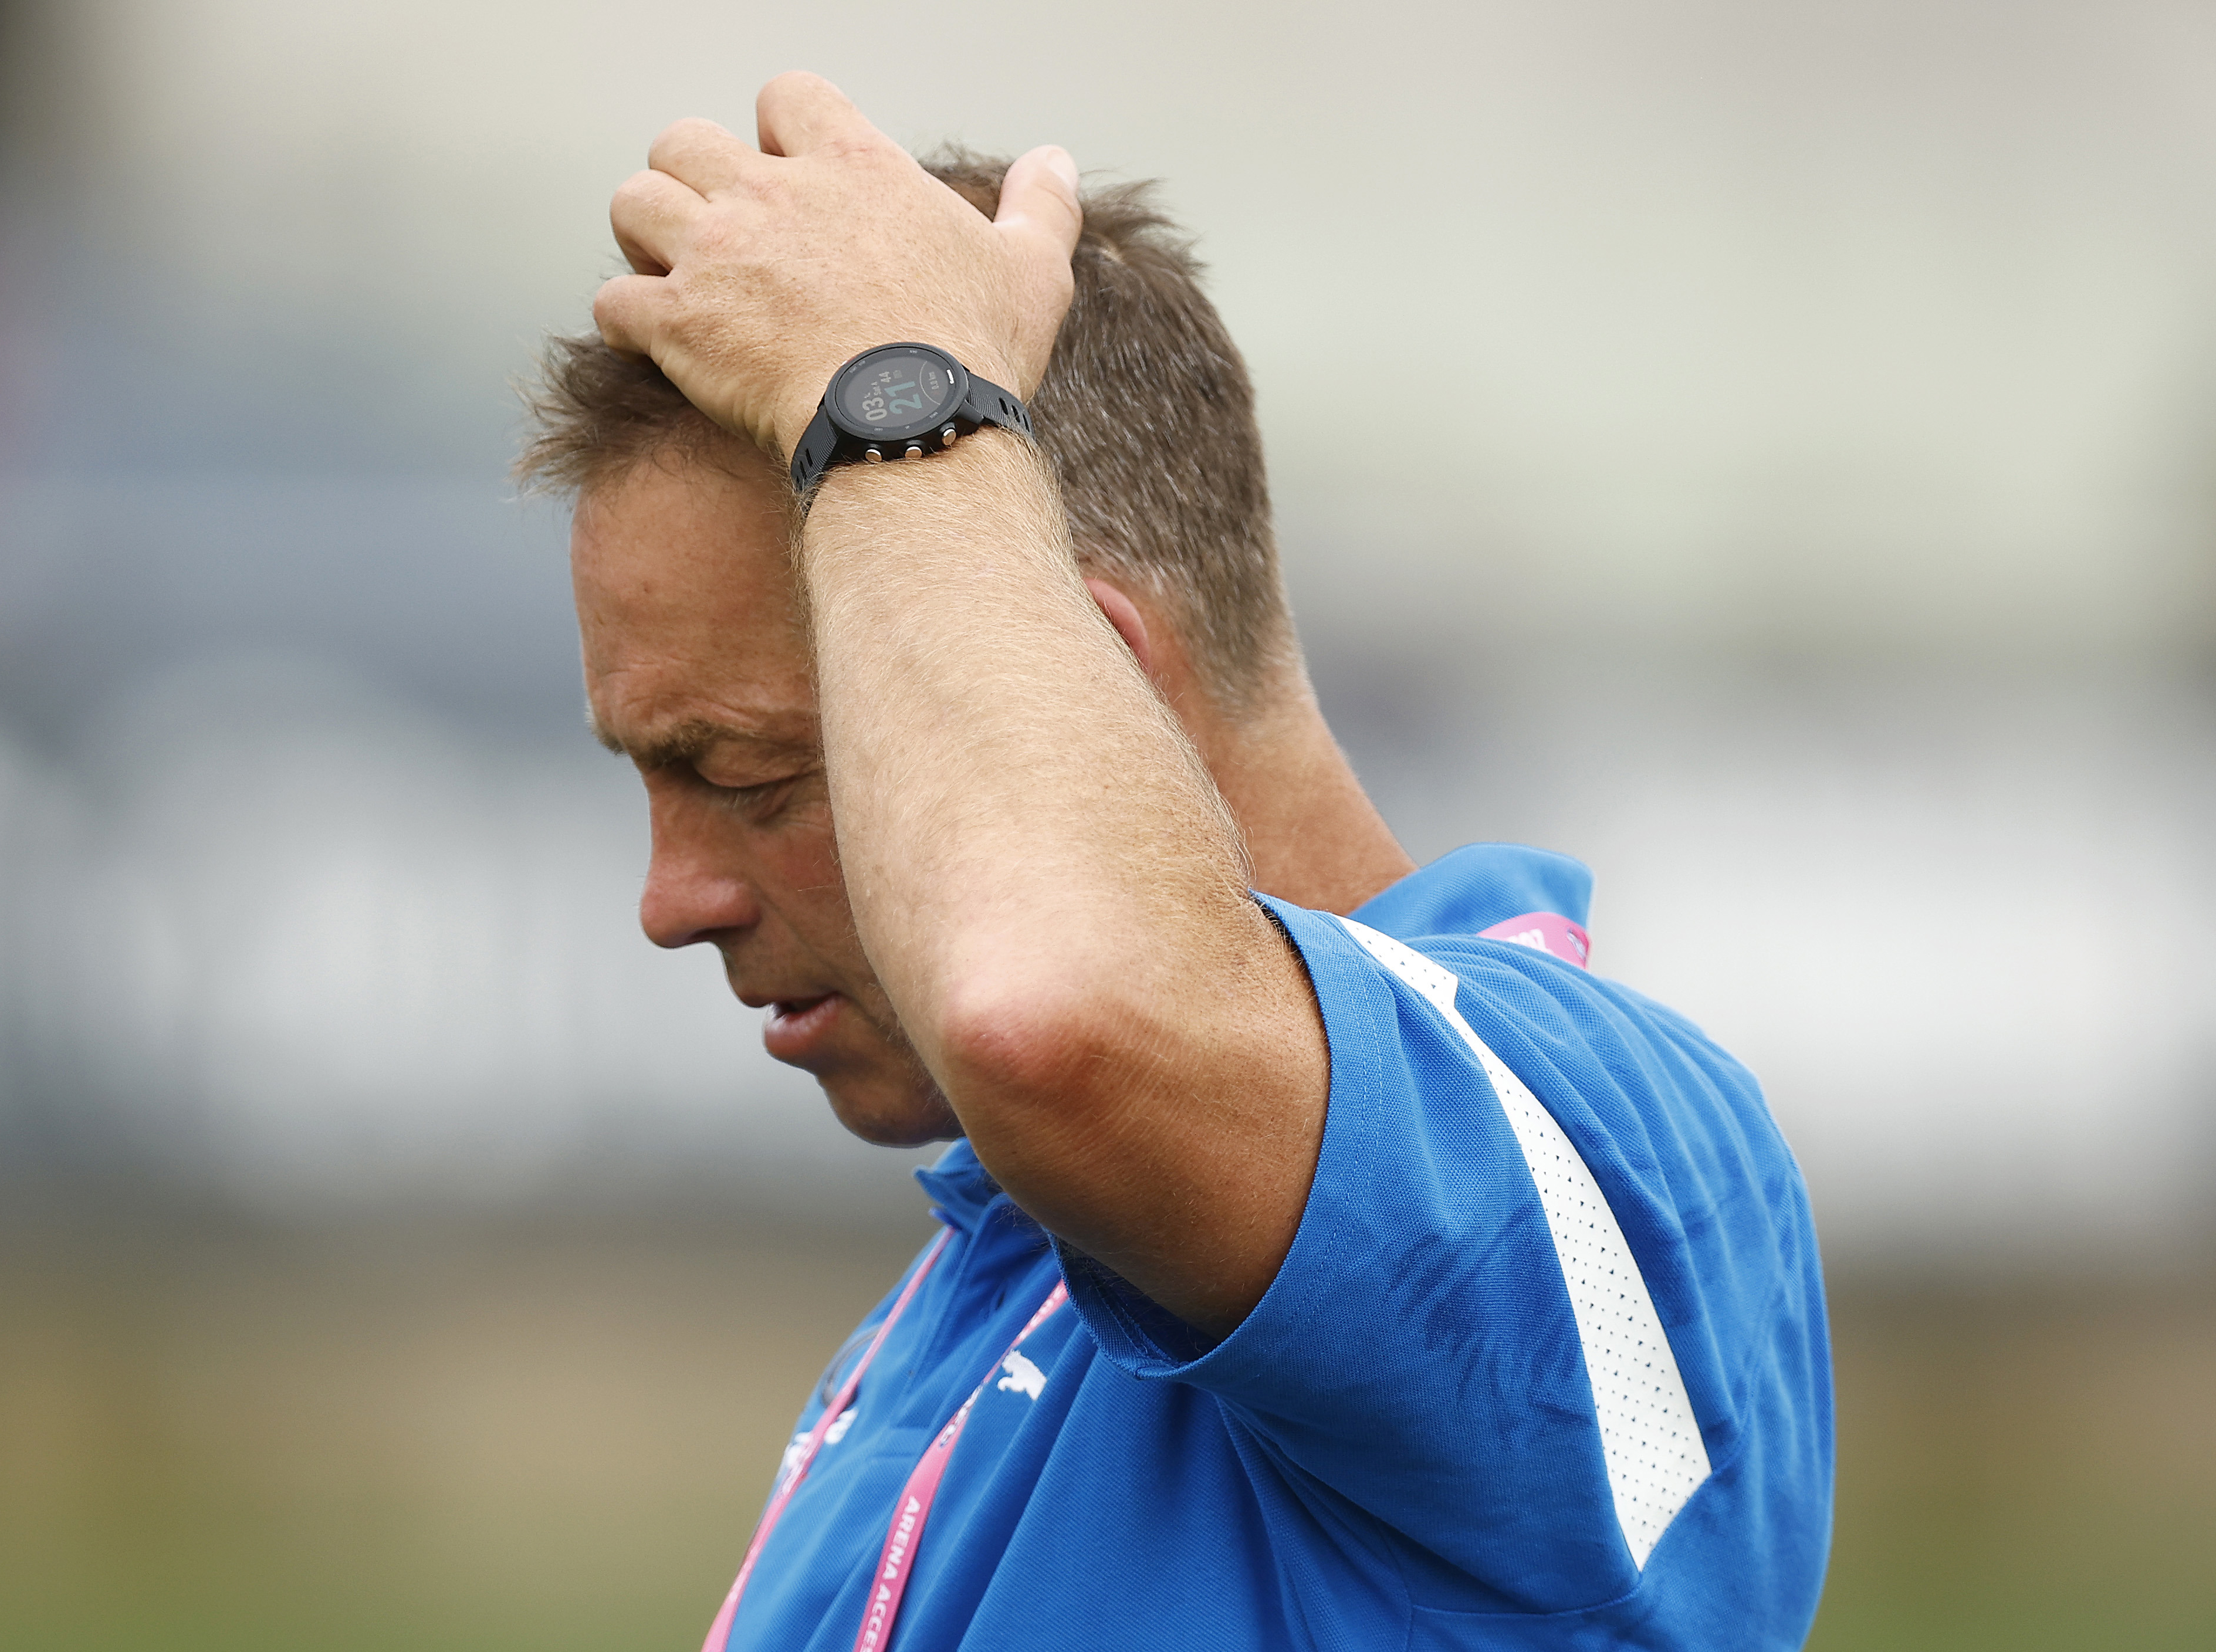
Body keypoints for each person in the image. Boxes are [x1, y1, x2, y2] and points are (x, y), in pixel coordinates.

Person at [522, 72, 1833, 1652]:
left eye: (752, 775)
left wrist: (892, 397)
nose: (671, 900)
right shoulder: (993, 1273)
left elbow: (1057, 1009)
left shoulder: (1586, 1145)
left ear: (1089, 681)